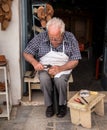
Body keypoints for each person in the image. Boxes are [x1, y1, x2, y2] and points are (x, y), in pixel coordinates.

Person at [23, 17, 81, 118]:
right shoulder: (41, 36)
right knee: (44, 79)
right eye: (51, 38)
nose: (53, 41)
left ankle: (62, 105)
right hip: (44, 67)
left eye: (56, 38)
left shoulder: (70, 37)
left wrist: (60, 68)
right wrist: (35, 63)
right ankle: (49, 106)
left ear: (62, 33)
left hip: (64, 67)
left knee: (60, 81)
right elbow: (26, 52)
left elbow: (75, 60)